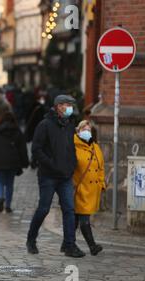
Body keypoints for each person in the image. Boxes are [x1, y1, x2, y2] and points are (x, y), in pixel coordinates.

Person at [26, 95, 86, 258]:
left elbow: (71, 148)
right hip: (48, 176)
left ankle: (69, 245)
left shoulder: (69, 125)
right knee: (44, 209)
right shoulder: (44, 125)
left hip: (65, 176)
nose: (70, 108)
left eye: (70, 105)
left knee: (69, 210)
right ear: (58, 106)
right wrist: (51, 164)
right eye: (67, 105)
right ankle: (31, 239)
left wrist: (72, 164)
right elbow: (36, 149)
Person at [60, 120, 105, 255]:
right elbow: (67, 168)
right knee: (84, 218)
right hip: (79, 189)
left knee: (75, 218)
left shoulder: (95, 147)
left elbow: (101, 167)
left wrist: (102, 183)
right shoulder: (72, 147)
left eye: (89, 130)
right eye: (84, 129)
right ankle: (92, 247)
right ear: (78, 131)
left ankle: (66, 244)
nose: (87, 132)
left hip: (92, 190)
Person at [0, 111, 28, 213]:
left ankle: (1, 197)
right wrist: (25, 162)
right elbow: (22, 148)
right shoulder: (17, 131)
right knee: (10, 184)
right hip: (12, 162)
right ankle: (8, 206)